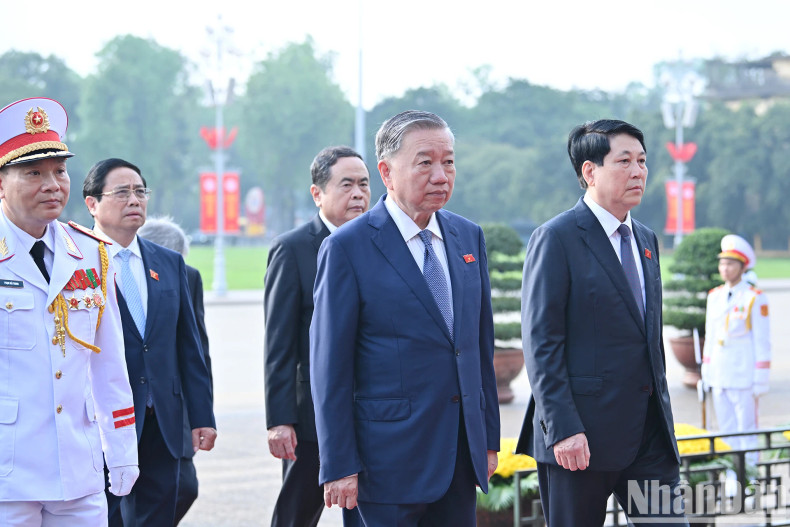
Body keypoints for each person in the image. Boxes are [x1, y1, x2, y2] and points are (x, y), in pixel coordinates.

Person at [310, 111, 500, 526]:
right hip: (385, 463)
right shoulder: (348, 247)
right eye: (425, 162)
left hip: (458, 458)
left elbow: (477, 348)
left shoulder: (468, 236)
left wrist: (487, 439)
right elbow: (330, 369)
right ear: (386, 172)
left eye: (448, 162)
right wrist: (339, 462)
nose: (441, 175)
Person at [516, 120, 688, 525]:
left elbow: (646, 339)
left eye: (642, 161)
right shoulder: (556, 238)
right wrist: (562, 428)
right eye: (624, 161)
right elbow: (542, 343)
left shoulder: (645, 239)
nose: (638, 172)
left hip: (648, 436)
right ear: (590, 171)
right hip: (580, 439)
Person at [0, 97, 139, 524]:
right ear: (1, 183)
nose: (52, 184)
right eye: (34, 173)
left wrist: (122, 452)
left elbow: (109, 366)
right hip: (8, 473)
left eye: (59, 171)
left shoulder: (90, 254)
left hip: (77, 468)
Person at [82, 158, 216, 526]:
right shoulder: (75, 261)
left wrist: (201, 417)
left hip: (162, 420)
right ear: (92, 203)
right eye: (122, 192)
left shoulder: (169, 263)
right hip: (101, 421)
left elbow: (189, 348)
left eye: (140, 192)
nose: (134, 200)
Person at [264, 145, 371, 527]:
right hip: (310, 419)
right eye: (347, 184)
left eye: (364, 184)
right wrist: (280, 420)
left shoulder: (377, 244)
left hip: (372, 412)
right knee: (297, 515)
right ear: (317, 193)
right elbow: (278, 345)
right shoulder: (292, 249)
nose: (358, 194)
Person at [138, 215, 212, 524]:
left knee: (184, 487)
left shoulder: (188, 276)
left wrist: (202, 416)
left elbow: (196, 350)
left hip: (170, 406)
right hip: (125, 406)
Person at [702, 234, 770, 467]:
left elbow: (762, 341)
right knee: (726, 430)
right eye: (722, 263)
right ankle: (732, 475)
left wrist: (761, 378)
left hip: (744, 376)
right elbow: (710, 336)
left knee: (747, 430)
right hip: (719, 374)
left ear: (743, 267)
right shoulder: (714, 296)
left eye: (731, 263)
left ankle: (749, 477)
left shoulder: (754, 298)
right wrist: (706, 370)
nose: (725, 268)